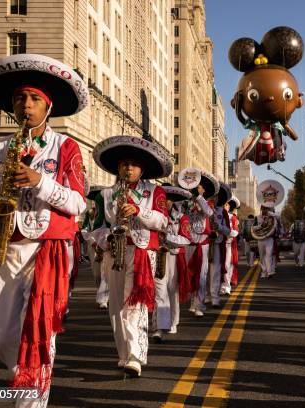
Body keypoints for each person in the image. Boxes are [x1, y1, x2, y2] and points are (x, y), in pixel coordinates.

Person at [0, 53, 89, 407]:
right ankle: (26, 376)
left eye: (35, 99)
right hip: (5, 247)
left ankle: (31, 399)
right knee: (0, 335)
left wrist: (41, 182)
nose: (27, 105)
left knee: (39, 333)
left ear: (48, 106)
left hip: (46, 248)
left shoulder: (66, 147)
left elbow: (78, 203)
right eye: (21, 98)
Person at [91, 135, 172, 377]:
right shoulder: (106, 194)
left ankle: (136, 356)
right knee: (116, 307)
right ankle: (125, 354)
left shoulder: (155, 191)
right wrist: (104, 240)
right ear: (118, 167)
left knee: (134, 306)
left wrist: (138, 210)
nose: (129, 168)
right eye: (124, 164)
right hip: (114, 252)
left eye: (134, 165)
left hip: (142, 253)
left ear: (142, 169)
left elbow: (162, 221)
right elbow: (96, 227)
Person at [152, 184, 192, 341]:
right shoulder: (155, 216)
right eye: (163, 199)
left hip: (173, 256)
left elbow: (186, 239)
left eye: (169, 200)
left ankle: (173, 321)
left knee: (171, 289)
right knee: (159, 289)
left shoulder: (182, 218)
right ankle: (159, 326)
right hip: (157, 255)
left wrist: (167, 238)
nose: (166, 202)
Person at [181, 169, 218, 317]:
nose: (196, 188)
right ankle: (192, 302)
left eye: (199, 187)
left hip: (202, 243)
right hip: (188, 241)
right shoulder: (186, 201)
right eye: (195, 186)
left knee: (201, 276)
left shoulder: (207, 202)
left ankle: (200, 305)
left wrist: (199, 198)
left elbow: (209, 213)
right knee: (189, 273)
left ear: (203, 189)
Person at [253, 180, 285, 279]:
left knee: (269, 254)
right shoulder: (257, 217)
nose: (265, 210)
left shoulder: (273, 216)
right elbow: (254, 227)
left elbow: (279, 217)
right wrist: (261, 226)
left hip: (269, 238)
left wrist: (271, 214)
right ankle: (264, 271)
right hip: (260, 238)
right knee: (262, 256)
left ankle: (270, 271)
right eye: (264, 209)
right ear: (261, 209)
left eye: (267, 209)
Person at [209, 183, 232, 307]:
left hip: (217, 245)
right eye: (213, 195)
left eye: (217, 196)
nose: (215, 198)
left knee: (215, 272)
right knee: (203, 273)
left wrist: (220, 227)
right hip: (203, 243)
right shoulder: (203, 207)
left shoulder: (222, 212)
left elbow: (228, 231)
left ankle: (215, 298)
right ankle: (200, 299)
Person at [221, 196, 241, 295]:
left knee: (227, 265)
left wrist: (226, 232)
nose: (225, 207)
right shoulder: (217, 215)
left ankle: (226, 286)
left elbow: (236, 232)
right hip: (217, 244)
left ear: (229, 206)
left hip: (228, 244)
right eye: (223, 204)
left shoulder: (232, 217)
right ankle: (219, 287)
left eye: (227, 205)